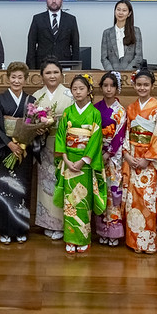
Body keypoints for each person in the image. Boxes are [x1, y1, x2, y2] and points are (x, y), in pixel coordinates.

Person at [54, 73, 107, 254]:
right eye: (74, 89)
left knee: (83, 201)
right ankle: (70, 238)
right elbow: (61, 136)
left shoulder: (95, 113)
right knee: (70, 202)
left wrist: (84, 160)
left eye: (81, 88)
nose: (77, 92)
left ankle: (83, 238)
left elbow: (96, 139)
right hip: (69, 161)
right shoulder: (68, 112)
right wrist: (66, 159)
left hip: (85, 163)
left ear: (89, 90)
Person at [0, 62, 39, 244]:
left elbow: (35, 124)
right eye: (13, 77)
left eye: (20, 77)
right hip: (5, 150)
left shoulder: (31, 100)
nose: (16, 81)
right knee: (4, 189)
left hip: (24, 151)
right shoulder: (0, 99)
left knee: (21, 189)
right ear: (8, 78)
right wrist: (9, 143)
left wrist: (25, 141)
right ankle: (4, 230)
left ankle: (20, 229)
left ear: (25, 79)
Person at [122, 68, 157, 254]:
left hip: (149, 162)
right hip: (133, 157)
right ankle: (134, 242)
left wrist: (147, 159)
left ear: (152, 86)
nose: (142, 88)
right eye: (139, 85)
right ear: (134, 85)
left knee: (148, 201)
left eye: (146, 85)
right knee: (133, 201)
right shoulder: (130, 108)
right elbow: (126, 133)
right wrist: (127, 155)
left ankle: (148, 243)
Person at [32, 58, 75, 240]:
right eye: (48, 72)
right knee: (46, 183)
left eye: (56, 72)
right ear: (42, 76)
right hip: (44, 144)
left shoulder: (70, 94)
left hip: (64, 145)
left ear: (62, 74)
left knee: (62, 182)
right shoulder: (36, 96)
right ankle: (47, 223)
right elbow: (30, 120)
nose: (52, 76)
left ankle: (63, 223)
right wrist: (37, 127)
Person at [94, 71, 127, 246]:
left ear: (117, 88)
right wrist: (97, 151)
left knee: (114, 192)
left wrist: (109, 153)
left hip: (113, 157)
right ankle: (101, 230)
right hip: (97, 154)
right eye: (105, 85)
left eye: (112, 86)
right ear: (101, 87)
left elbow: (120, 135)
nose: (108, 89)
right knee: (100, 191)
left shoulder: (120, 111)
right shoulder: (95, 108)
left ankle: (113, 232)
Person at [26, 0, 80, 70]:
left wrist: (75, 68)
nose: (54, 1)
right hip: (42, 64)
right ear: (46, 0)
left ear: (62, 0)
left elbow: (75, 46)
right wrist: (31, 69)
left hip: (65, 64)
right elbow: (31, 45)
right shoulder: (37, 19)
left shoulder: (71, 19)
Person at [100, 0, 143, 71]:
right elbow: (104, 58)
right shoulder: (107, 33)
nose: (120, 13)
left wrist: (126, 73)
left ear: (129, 13)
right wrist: (112, 73)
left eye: (124, 10)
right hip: (112, 74)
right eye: (118, 10)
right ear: (115, 11)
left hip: (130, 73)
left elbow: (138, 57)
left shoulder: (136, 31)